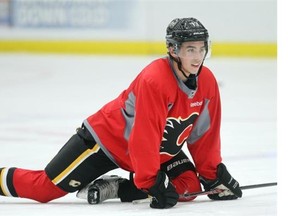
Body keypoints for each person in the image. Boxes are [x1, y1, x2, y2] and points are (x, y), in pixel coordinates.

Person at [0, 17, 242, 209]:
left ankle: (116, 188)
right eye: (190, 49)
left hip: (158, 152)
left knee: (189, 187)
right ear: (173, 49)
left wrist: (213, 178)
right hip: (107, 144)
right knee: (44, 190)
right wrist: (150, 182)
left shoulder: (207, 81)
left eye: (202, 49)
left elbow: (203, 134)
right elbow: (144, 136)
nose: (198, 57)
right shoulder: (155, 80)